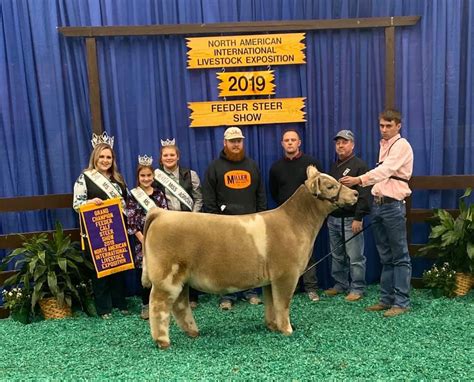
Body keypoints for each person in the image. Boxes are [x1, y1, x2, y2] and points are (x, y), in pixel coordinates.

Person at [340, 109, 413, 317]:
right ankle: (386, 299)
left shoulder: (401, 146)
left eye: (388, 125)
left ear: (398, 126)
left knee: (400, 256)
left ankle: (401, 302)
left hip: (393, 205)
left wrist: (358, 180)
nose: (384, 129)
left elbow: (386, 171)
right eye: (381, 125)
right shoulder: (384, 146)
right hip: (379, 205)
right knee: (386, 256)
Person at [203, 126, 266, 310]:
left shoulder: (252, 165)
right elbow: (209, 197)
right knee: (225, 260)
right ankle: (226, 295)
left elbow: (260, 193)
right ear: (225, 143)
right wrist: (216, 221)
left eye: (239, 141)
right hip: (225, 225)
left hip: (250, 223)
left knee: (252, 258)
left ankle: (251, 292)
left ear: (242, 142)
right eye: (232, 141)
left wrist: (261, 216)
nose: (236, 144)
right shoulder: (214, 167)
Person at [73, 133, 129, 319]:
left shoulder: (119, 180)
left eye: (109, 157)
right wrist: (91, 202)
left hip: (117, 230)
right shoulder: (85, 178)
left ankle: (121, 303)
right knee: (100, 271)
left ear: (113, 160)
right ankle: (104, 308)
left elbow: (126, 204)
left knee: (118, 267)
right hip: (96, 232)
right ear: (95, 158)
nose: (105, 161)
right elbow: (76, 204)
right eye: (102, 157)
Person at [268, 129, 323, 302]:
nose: (290, 143)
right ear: (282, 144)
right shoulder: (276, 167)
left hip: (307, 217)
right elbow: (274, 191)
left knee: (307, 251)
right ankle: (293, 286)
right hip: (284, 218)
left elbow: (319, 189)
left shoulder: (311, 164)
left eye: (293, 140)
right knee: (285, 253)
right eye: (286, 140)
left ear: (299, 143)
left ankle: (311, 287)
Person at [154, 139, 203, 308]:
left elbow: (198, 198)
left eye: (172, 155)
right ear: (161, 158)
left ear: (178, 156)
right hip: (168, 226)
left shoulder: (191, 175)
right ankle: (172, 293)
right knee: (170, 261)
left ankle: (192, 297)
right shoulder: (154, 177)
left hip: (188, 225)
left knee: (191, 258)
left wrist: (194, 218)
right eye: (165, 155)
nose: (169, 158)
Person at [325, 130, 371, 302]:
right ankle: (340, 284)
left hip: (352, 218)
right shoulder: (333, 167)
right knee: (337, 254)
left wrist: (359, 217)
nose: (341, 145)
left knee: (355, 256)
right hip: (334, 218)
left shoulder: (360, 166)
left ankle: (357, 288)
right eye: (338, 143)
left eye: (344, 142)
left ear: (352, 145)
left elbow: (365, 194)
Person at [125, 155, 168, 319]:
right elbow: (131, 220)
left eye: (149, 175)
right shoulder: (133, 195)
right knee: (144, 273)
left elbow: (165, 217)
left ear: (153, 176)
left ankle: (161, 303)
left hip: (160, 240)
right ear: (138, 177)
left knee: (161, 271)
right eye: (142, 176)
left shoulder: (159, 194)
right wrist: (144, 240)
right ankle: (145, 305)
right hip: (141, 241)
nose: (146, 178)